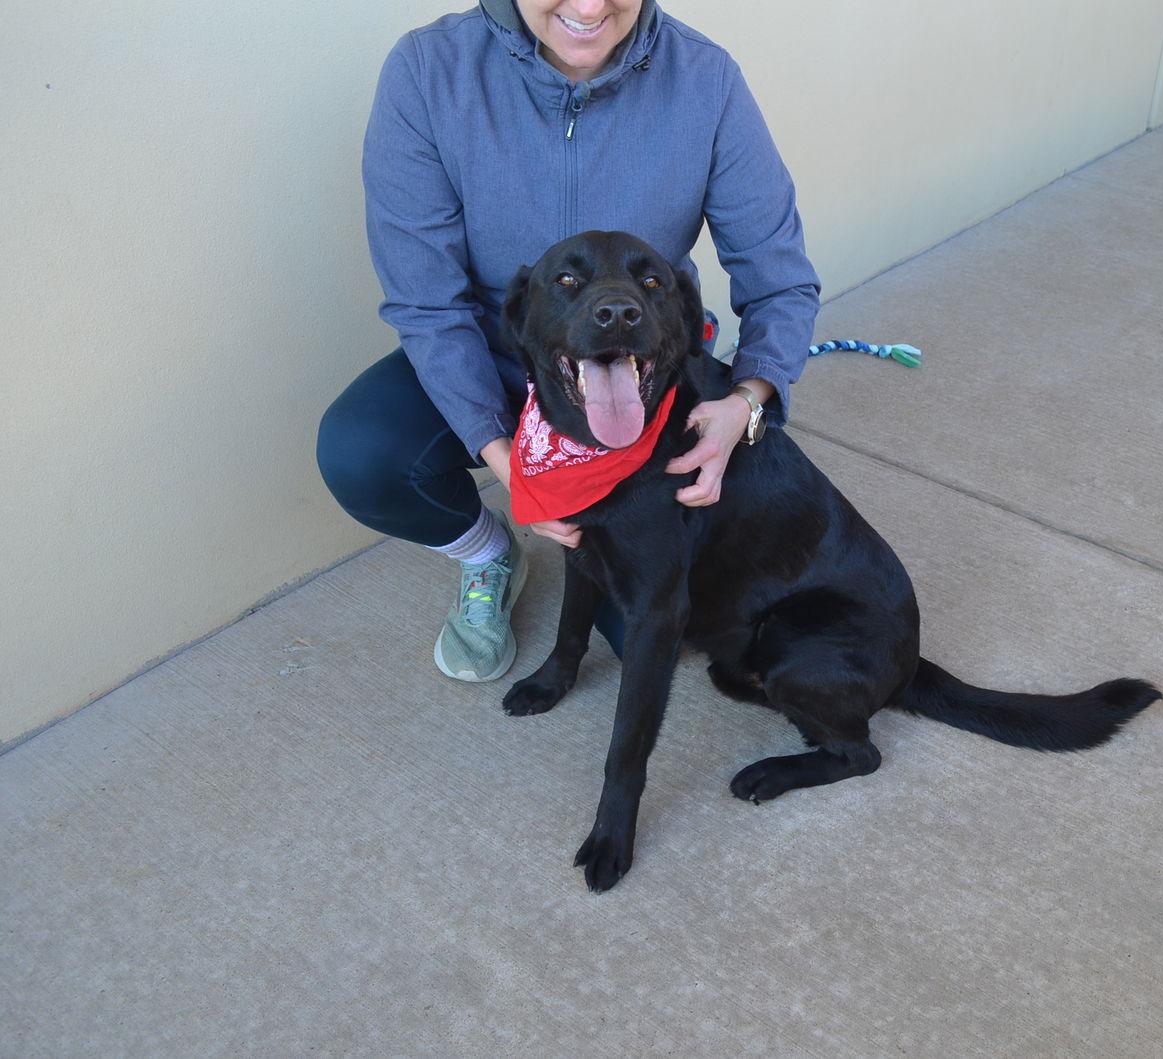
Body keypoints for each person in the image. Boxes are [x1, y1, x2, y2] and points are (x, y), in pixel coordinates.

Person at [316, 0, 821, 681]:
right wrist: (511, 465)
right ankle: (486, 553)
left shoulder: (706, 80)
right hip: (497, 357)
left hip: (641, 372)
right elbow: (428, 301)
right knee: (359, 449)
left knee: (655, 623)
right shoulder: (427, 72)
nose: (588, 6)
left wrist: (749, 402)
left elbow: (780, 278)